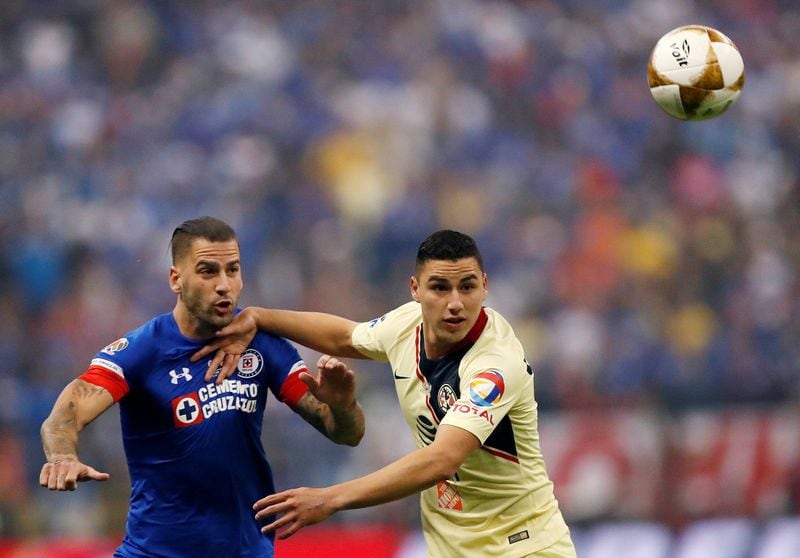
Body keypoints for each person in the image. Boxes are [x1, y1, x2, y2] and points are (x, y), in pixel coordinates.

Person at [193, 229, 576, 557]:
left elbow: (441, 459)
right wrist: (258, 317)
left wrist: (331, 498)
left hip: (523, 547)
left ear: (485, 287)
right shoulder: (408, 325)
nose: (455, 302)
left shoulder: (494, 365)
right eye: (440, 287)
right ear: (416, 290)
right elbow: (344, 336)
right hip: (454, 548)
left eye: (467, 286)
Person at [39, 216, 365, 558]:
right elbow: (67, 413)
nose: (224, 285)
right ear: (176, 280)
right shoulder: (143, 350)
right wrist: (63, 455)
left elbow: (346, 432)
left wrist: (344, 405)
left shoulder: (264, 346)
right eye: (208, 271)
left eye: (233, 270)